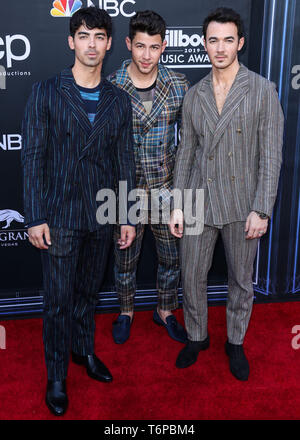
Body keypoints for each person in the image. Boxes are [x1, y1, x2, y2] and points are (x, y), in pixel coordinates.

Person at [22, 7, 136, 416]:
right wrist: (34, 216)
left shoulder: (119, 101)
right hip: (59, 216)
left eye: (99, 36)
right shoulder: (46, 92)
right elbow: (32, 158)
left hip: (102, 215)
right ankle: (56, 375)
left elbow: (125, 161)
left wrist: (126, 215)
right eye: (83, 35)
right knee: (57, 300)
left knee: (89, 294)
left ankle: (83, 351)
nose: (91, 43)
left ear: (108, 44)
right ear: (71, 41)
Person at [169, 7, 284, 380]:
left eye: (228, 40)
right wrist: (178, 204)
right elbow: (185, 152)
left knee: (240, 279)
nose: (220, 48)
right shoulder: (194, 94)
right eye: (213, 40)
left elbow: (271, 155)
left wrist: (262, 209)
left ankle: (235, 342)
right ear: (204, 44)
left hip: (241, 203)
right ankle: (197, 336)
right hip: (199, 201)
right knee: (191, 275)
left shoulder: (262, 90)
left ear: (241, 43)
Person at [108, 10, 189, 344]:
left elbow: (189, 145)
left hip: (168, 188)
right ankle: (125, 311)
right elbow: (107, 148)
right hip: (124, 191)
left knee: (172, 258)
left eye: (153, 47)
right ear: (128, 43)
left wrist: (182, 198)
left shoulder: (180, 85)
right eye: (139, 46)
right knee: (124, 257)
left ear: (163, 47)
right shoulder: (112, 86)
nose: (145, 55)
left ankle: (165, 310)